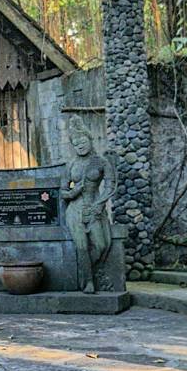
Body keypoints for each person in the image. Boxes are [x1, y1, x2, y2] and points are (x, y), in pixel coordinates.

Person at [61, 115, 115, 293]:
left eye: (82, 140)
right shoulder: (71, 165)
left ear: (90, 140)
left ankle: (83, 273)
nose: (80, 145)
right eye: (76, 143)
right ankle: (89, 282)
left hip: (94, 206)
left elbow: (110, 186)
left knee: (101, 245)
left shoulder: (101, 162)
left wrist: (100, 203)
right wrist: (73, 192)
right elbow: (62, 192)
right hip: (75, 209)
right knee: (82, 246)